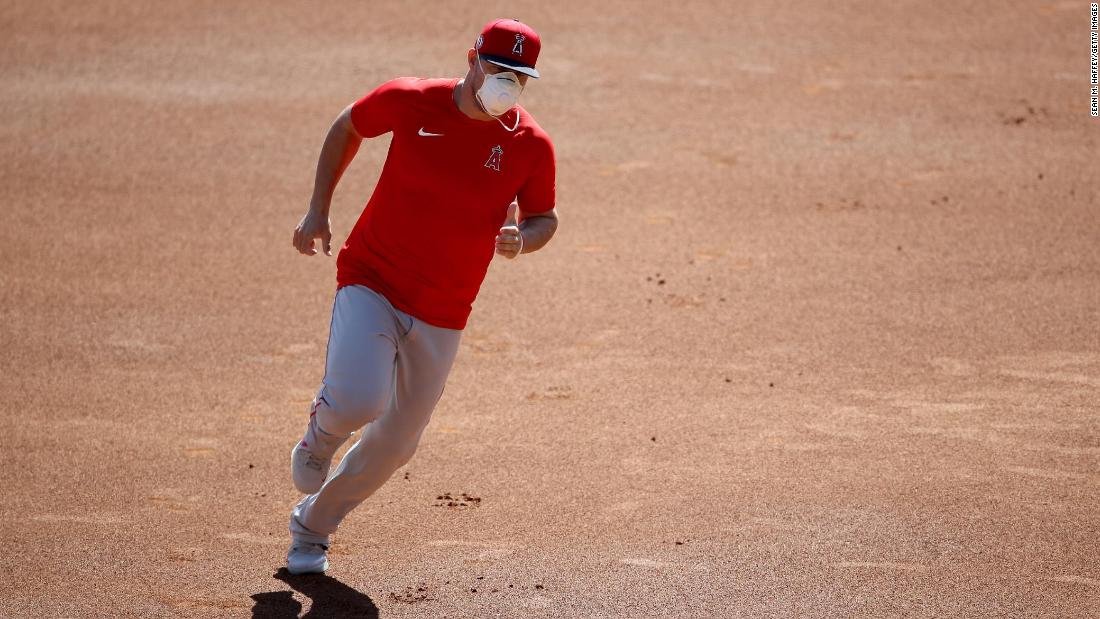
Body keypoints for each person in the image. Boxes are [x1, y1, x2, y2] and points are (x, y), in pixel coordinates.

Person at [285, 18, 558, 575]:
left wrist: (520, 241)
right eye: (499, 70)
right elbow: (349, 125)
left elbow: (544, 217)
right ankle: (322, 432)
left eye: (520, 77)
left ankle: (312, 527)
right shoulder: (413, 101)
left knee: (396, 444)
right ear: (472, 59)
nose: (507, 83)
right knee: (361, 399)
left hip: (445, 308)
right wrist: (318, 208)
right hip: (374, 277)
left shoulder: (530, 145)